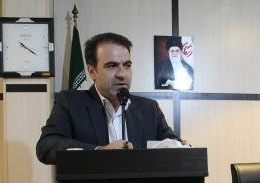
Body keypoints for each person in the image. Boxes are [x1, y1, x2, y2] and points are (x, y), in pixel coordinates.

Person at [36, 32, 180, 165]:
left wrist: (180, 145)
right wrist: (99, 151)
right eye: (112, 66)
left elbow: (173, 144)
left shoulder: (149, 108)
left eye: (127, 65)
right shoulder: (70, 103)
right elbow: (46, 146)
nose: (122, 74)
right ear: (92, 71)